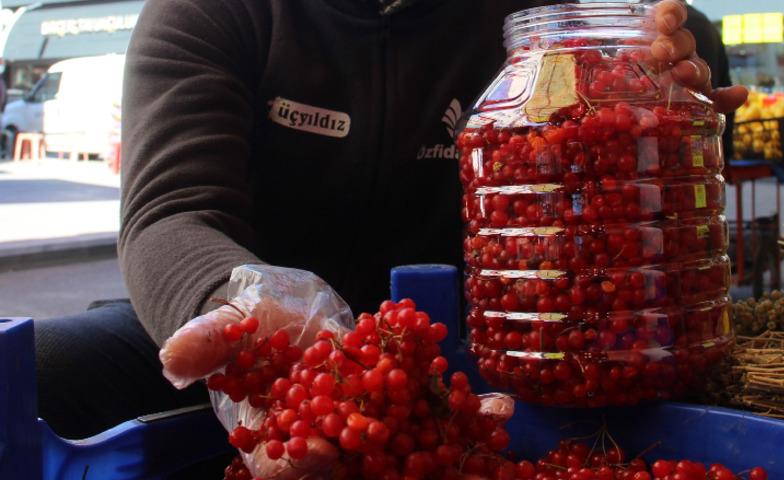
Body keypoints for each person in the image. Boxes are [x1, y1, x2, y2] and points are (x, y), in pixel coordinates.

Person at [35, 0, 745, 447]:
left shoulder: (540, 24)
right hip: (257, 337)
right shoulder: (215, 12)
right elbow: (170, 212)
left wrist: (668, 99)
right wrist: (240, 308)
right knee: (38, 369)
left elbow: (625, 210)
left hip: (479, 345)